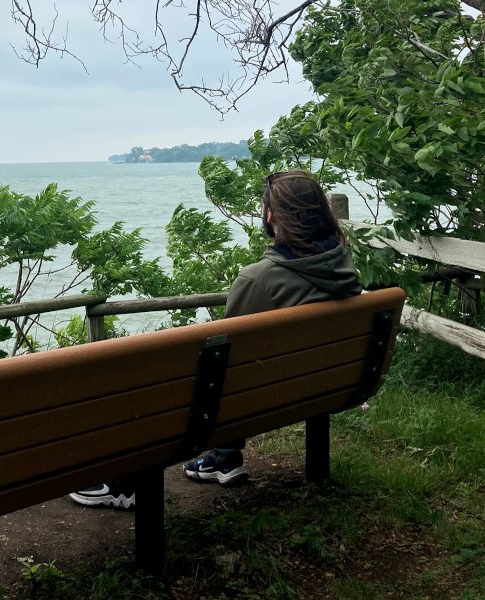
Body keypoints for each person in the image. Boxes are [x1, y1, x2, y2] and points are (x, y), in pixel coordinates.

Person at [69, 170, 362, 508]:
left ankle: (122, 483)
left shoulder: (259, 280)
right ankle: (223, 458)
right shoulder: (344, 267)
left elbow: (224, 361)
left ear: (270, 217)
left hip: (244, 400)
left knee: (151, 384)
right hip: (320, 386)